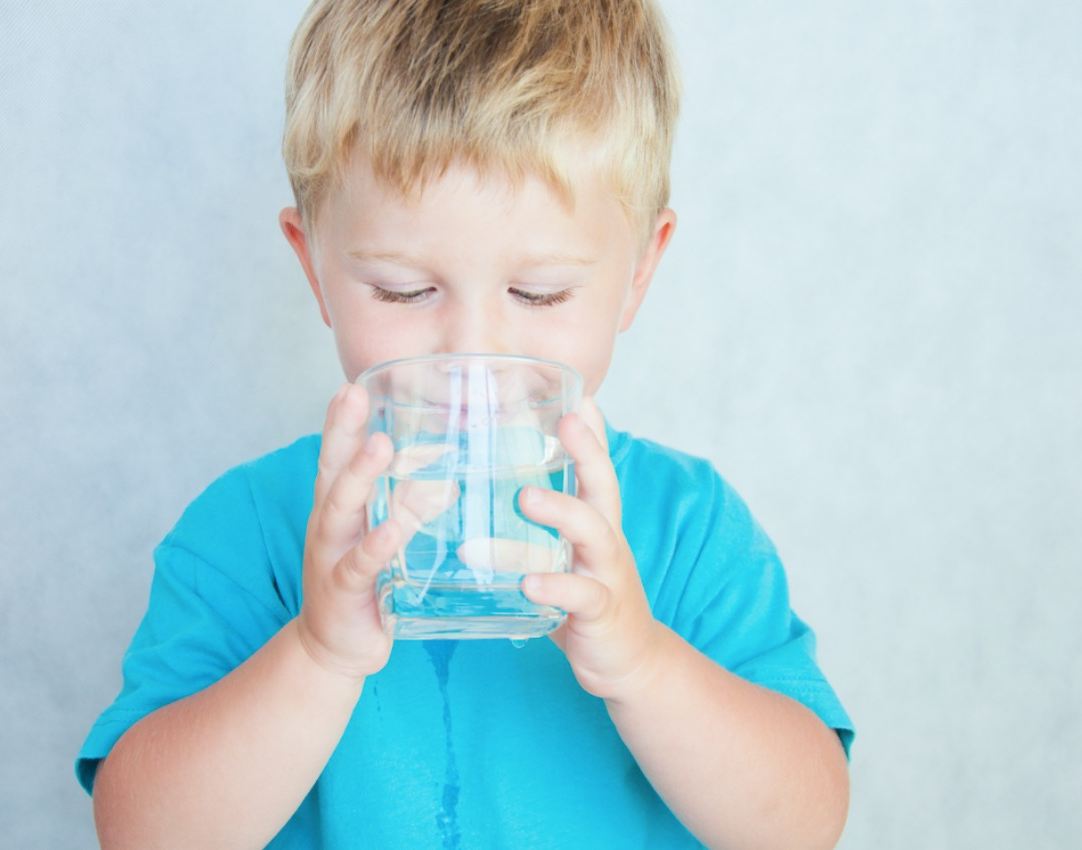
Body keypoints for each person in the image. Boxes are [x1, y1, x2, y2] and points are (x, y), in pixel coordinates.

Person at [77, 1, 854, 847]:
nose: (471, 355)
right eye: (405, 292)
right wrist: (316, 656)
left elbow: (804, 825)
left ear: (638, 273)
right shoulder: (249, 531)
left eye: (541, 292)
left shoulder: (687, 526)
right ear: (315, 268)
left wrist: (642, 663)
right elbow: (142, 834)